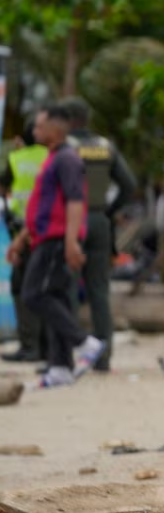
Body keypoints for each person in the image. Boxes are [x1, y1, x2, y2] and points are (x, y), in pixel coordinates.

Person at [6, 105, 106, 387]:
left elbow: (76, 201)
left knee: (34, 294)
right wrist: (21, 238)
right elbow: (41, 205)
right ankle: (60, 365)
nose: (34, 131)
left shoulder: (67, 160)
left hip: (56, 238)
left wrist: (72, 241)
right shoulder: (51, 159)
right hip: (42, 236)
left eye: (39, 126)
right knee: (57, 297)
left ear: (56, 129)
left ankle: (84, 342)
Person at [62, 97, 139, 372]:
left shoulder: (63, 147)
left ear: (66, 120)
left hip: (71, 222)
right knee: (98, 291)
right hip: (99, 221)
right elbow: (129, 184)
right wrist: (108, 210)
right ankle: (103, 358)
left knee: (66, 289)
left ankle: (68, 356)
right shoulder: (105, 146)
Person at [1, 119, 49, 363]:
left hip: (23, 229)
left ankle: (30, 346)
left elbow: (4, 186)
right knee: (45, 286)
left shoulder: (17, 159)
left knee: (22, 287)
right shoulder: (52, 156)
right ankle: (47, 346)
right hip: (49, 230)